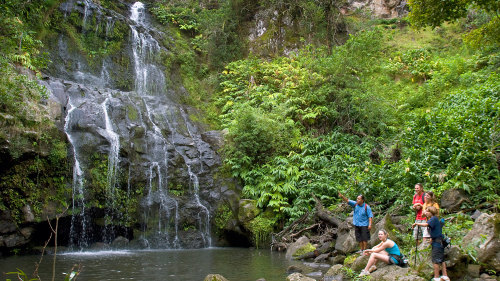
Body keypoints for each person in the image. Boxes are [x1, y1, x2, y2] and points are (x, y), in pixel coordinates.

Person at [412, 206, 450, 281]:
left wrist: (416, 223)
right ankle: (444, 276)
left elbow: (426, 225)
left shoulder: (433, 219)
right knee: (441, 259)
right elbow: (435, 230)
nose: (425, 212)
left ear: (430, 212)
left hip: (437, 242)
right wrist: (431, 239)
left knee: (435, 260)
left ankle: (436, 277)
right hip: (438, 241)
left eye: (427, 211)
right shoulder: (434, 219)